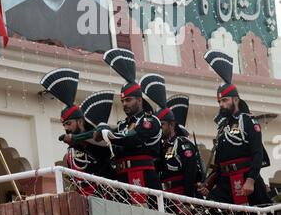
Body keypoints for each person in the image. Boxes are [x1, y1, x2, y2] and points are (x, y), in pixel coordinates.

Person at [198, 50, 272, 215]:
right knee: (208, 214)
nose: (221, 105)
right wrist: (209, 184)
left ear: (235, 100)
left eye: (224, 101)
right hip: (225, 182)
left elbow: (257, 154)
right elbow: (220, 162)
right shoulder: (222, 126)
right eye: (219, 102)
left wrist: (251, 180)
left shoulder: (248, 121)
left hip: (247, 177)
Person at [96, 48, 163, 205]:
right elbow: (110, 143)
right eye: (123, 101)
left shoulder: (150, 120)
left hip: (143, 177)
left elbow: (134, 138)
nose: (125, 104)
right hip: (122, 179)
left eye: (129, 100)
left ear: (139, 100)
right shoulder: (122, 125)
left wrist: (109, 135)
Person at [41, 68, 115, 196]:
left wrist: (78, 140)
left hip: (104, 197)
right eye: (64, 125)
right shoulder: (71, 150)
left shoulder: (96, 138)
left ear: (80, 122)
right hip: (82, 199)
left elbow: (102, 150)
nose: (66, 128)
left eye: (69, 124)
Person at [157, 95, 198, 200]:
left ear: (171, 125)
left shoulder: (182, 144)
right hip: (165, 196)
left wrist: (187, 202)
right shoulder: (161, 146)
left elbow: (190, 174)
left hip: (180, 195)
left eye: (162, 124)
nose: (159, 128)